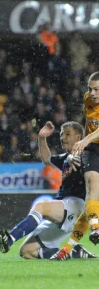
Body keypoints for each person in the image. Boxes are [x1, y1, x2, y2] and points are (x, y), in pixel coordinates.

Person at [0, 121, 95, 260]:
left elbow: (83, 161)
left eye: (67, 134)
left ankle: (9, 239)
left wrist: (75, 156)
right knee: (27, 251)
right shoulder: (65, 158)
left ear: (78, 138)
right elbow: (47, 159)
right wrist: (41, 138)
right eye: (61, 134)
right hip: (63, 209)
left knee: (42, 206)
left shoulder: (88, 156)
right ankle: (74, 253)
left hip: (77, 206)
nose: (62, 137)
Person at [63, 71, 99, 245]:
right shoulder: (88, 99)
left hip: (91, 142)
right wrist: (83, 144)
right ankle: (95, 228)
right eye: (90, 89)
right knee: (91, 185)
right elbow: (89, 123)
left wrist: (85, 140)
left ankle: (68, 249)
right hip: (94, 148)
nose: (92, 93)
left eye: (97, 90)